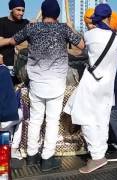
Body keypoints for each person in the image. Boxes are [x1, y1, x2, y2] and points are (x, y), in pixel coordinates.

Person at [0, 0, 85, 172]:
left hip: (36, 84)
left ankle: (31, 156)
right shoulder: (63, 29)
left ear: (44, 13)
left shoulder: (32, 28)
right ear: (57, 14)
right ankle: (47, 159)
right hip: (56, 84)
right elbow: (82, 46)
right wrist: (70, 27)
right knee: (52, 121)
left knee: (35, 120)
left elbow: (12, 41)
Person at [64, 3, 117, 173]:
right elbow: (116, 52)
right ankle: (100, 153)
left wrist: (71, 29)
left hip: (92, 82)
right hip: (107, 85)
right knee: (101, 118)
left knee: (84, 117)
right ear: (109, 18)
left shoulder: (90, 35)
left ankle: (97, 157)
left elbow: (81, 47)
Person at [0, 0, 29, 84]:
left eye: (23, 10)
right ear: (11, 9)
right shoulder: (2, 22)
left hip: (22, 68)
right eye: (18, 10)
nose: (21, 13)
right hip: (5, 66)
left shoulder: (26, 23)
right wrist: (11, 40)